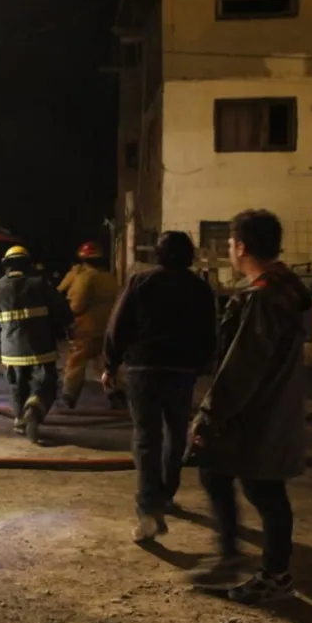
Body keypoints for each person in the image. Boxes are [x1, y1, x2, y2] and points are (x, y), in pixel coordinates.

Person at [188, 209, 312, 605]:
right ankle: (238, 559)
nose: (228, 249)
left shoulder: (261, 297)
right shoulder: (290, 288)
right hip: (277, 408)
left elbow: (242, 367)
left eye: (229, 243)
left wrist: (209, 416)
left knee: (262, 490)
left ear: (241, 246)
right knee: (226, 477)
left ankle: (273, 575)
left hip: (258, 416)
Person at [101, 231, 217, 542]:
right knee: (176, 433)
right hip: (181, 371)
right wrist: (204, 364)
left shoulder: (140, 282)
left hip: (143, 369)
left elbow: (118, 325)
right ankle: (166, 493)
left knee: (146, 438)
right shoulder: (200, 288)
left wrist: (110, 364)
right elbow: (210, 331)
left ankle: (149, 510)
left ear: (158, 254)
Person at [0, 245, 72, 443]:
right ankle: (33, 410)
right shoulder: (40, 284)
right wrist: (66, 328)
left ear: (6, 265)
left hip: (10, 351)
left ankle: (19, 420)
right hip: (41, 349)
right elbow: (62, 312)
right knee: (45, 384)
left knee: (17, 385)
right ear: (27, 264)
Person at [57, 241, 120, 408]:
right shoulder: (109, 277)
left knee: (76, 363)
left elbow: (76, 305)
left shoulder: (86, 277)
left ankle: (68, 396)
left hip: (85, 329)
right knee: (103, 363)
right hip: (106, 328)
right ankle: (114, 394)